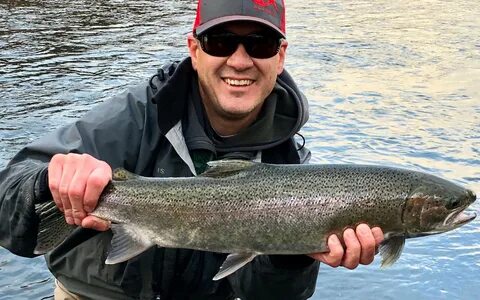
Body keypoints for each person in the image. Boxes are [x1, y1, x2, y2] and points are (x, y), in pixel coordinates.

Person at [0, 0, 384, 299]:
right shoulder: (135, 117)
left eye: (260, 44)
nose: (239, 60)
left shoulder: (289, 164)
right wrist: (44, 184)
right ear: (194, 50)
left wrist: (295, 253)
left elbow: (263, 295)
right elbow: (7, 197)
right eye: (220, 42)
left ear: (280, 56)